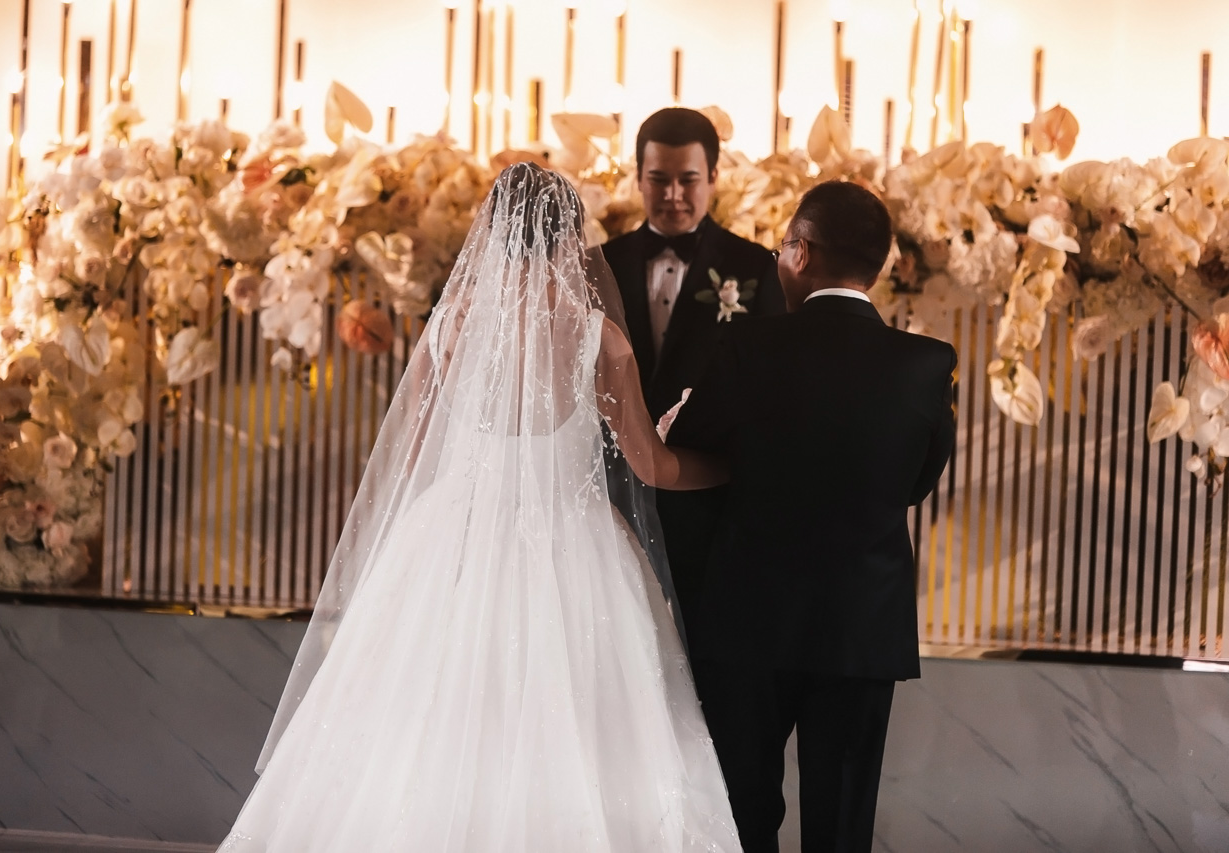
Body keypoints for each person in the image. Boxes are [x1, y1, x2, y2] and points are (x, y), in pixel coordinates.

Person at [216, 163, 741, 852]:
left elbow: (411, 462)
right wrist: (729, 465)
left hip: (450, 543)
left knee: (425, 727)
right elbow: (653, 467)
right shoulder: (597, 337)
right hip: (573, 550)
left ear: (491, 233)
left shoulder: (449, 328)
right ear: (570, 238)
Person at [665, 180, 958, 853]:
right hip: (861, 626)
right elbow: (916, 483)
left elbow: (690, 453)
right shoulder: (927, 363)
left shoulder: (747, 347)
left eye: (782, 248)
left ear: (801, 251)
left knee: (743, 816)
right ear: (876, 269)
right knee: (842, 824)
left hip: (750, 621)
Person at [602, 107, 785, 631]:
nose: (674, 195)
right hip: (611, 499)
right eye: (659, 179)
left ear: (714, 178)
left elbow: (772, 388)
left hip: (712, 502)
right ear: (638, 177)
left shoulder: (755, 267)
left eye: (688, 180)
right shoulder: (597, 263)